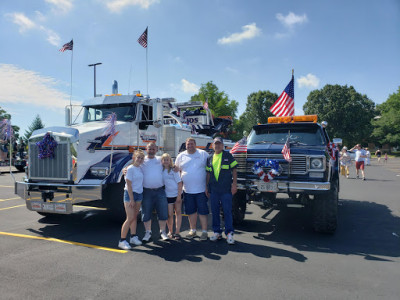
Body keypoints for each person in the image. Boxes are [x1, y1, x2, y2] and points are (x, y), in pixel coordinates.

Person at [175, 137, 210, 241]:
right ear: (185, 145)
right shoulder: (181, 156)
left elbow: (209, 171)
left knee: (203, 212)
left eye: (191, 144)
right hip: (187, 190)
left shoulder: (203, 154)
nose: (190, 146)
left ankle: (204, 232)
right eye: (188, 144)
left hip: (201, 190)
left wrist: (207, 187)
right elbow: (176, 171)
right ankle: (193, 230)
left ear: (195, 144)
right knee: (191, 212)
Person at [205, 137, 238, 245]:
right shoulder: (209, 158)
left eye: (219, 144)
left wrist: (234, 184)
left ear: (222, 145)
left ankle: (229, 233)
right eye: (216, 144)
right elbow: (208, 174)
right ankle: (217, 232)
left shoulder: (228, 156)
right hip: (214, 190)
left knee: (227, 212)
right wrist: (206, 187)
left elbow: (234, 170)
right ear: (213, 146)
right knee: (214, 212)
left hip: (226, 190)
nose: (217, 145)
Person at [141, 142, 169, 242]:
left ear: (156, 150)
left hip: (160, 190)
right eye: (150, 149)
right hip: (146, 191)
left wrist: (175, 167)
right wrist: (124, 169)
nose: (151, 151)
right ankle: (148, 233)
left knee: (162, 212)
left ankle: (163, 232)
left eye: (153, 149)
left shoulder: (160, 159)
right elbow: (132, 166)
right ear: (146, 149)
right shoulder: (141, 160)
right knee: (146, 213)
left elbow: (170, 164)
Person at [118, 150, 145, 250]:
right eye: (138, 157)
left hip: (139, 194)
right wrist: (132, 199)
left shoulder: (141, 168)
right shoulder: (130, 169)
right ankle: (122, 240)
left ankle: (133, 236)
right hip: (130, 195)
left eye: (142, 158)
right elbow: (128, 185)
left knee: (134, 217)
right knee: (129, 218)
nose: (140, 159)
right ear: (134, 158)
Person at [161, 153, 183, 240]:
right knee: (169, 214)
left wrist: (178, 196)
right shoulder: (161, 170)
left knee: (178, 212)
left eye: (167, 160)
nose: (166, 161)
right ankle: (170, 231)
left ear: (170, 161)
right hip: (168, 195)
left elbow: (179, 183)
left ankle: (177, 232)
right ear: (162, 161)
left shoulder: (174, 170)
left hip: (176, 194)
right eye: (164, 160)